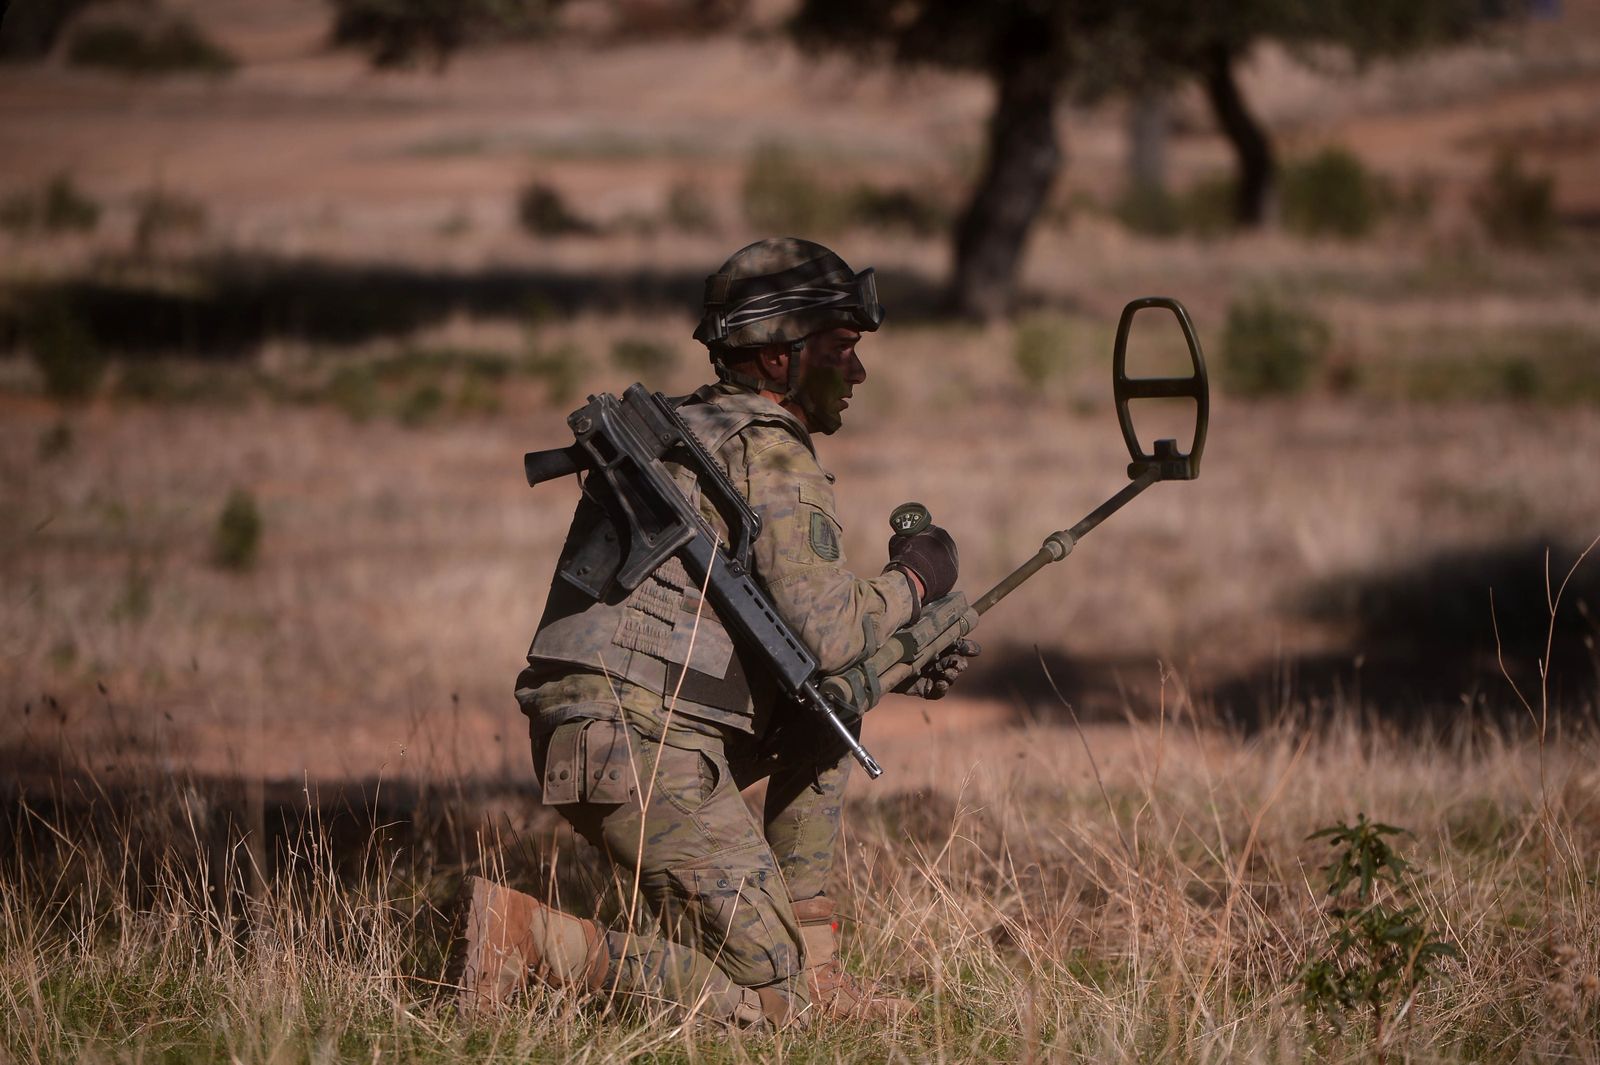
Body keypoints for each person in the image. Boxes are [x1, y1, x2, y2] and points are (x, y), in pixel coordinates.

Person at [455, 238, 980, 1027]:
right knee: (773, 998)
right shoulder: (768, 451)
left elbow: (798, 659)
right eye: (841, 349)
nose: (858, 373)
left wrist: (905, 655)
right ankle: (532, 942)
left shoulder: (687, 434)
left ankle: (818, 974)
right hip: (642, 741)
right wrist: (917, 580)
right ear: (776, 358)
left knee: (831, 712)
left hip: (612, 732)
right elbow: (833, 633)